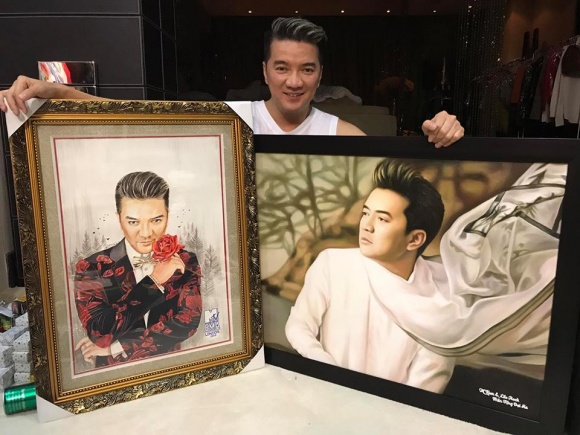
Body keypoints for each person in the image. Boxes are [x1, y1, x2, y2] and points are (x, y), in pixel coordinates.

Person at [0, 17, 464, 146]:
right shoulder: (232, 118)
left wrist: (440, 139)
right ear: (264, 71)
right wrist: (56, 91)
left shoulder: (343, 135)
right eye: (282, 67)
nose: (294, 81)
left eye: (307, 69)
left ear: (321, 75)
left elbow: (400, 186)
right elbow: (135, 115)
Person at [285, 159, 454, 393]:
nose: (366, 225)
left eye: (382, 219)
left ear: (415, 239)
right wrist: (327, 371)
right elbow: (299, 325)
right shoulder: (333, 264)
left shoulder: (441, 300)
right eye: (366, 213)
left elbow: (426, 385)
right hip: (326, 394)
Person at [73, 171, 202, 367]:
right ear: (119, 219)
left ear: (168, 216)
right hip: (114, 377)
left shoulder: (184, 260)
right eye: (133, 222)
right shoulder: (92, 267)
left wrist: (116, 347)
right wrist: (153, 281)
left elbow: (187, 323)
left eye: (156, 220)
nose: (146, 233)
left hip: (170, 370)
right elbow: (100, 332)